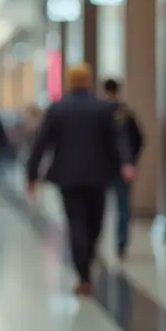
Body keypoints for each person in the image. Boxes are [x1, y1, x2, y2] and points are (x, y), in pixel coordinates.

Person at [27, 63, 133, 294]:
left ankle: (83, 273)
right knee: (95, 222)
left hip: (68, 177)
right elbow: (118, 139)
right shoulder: (103, 108)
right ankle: (87, 260)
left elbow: (41, 144)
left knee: (76, 223)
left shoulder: (57, 109)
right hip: (99, 175)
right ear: (88, 81)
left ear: (69, 81)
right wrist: (125, 163)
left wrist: (31, 175)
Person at [101, 78, 145, 259]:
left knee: (100, 206)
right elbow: (140, 138)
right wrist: (131, 161)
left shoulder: (100, 113)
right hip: (123, 168)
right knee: (123, 206)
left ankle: (99, 240)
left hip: (103, 167)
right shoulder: (126, 114)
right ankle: (121, 242)